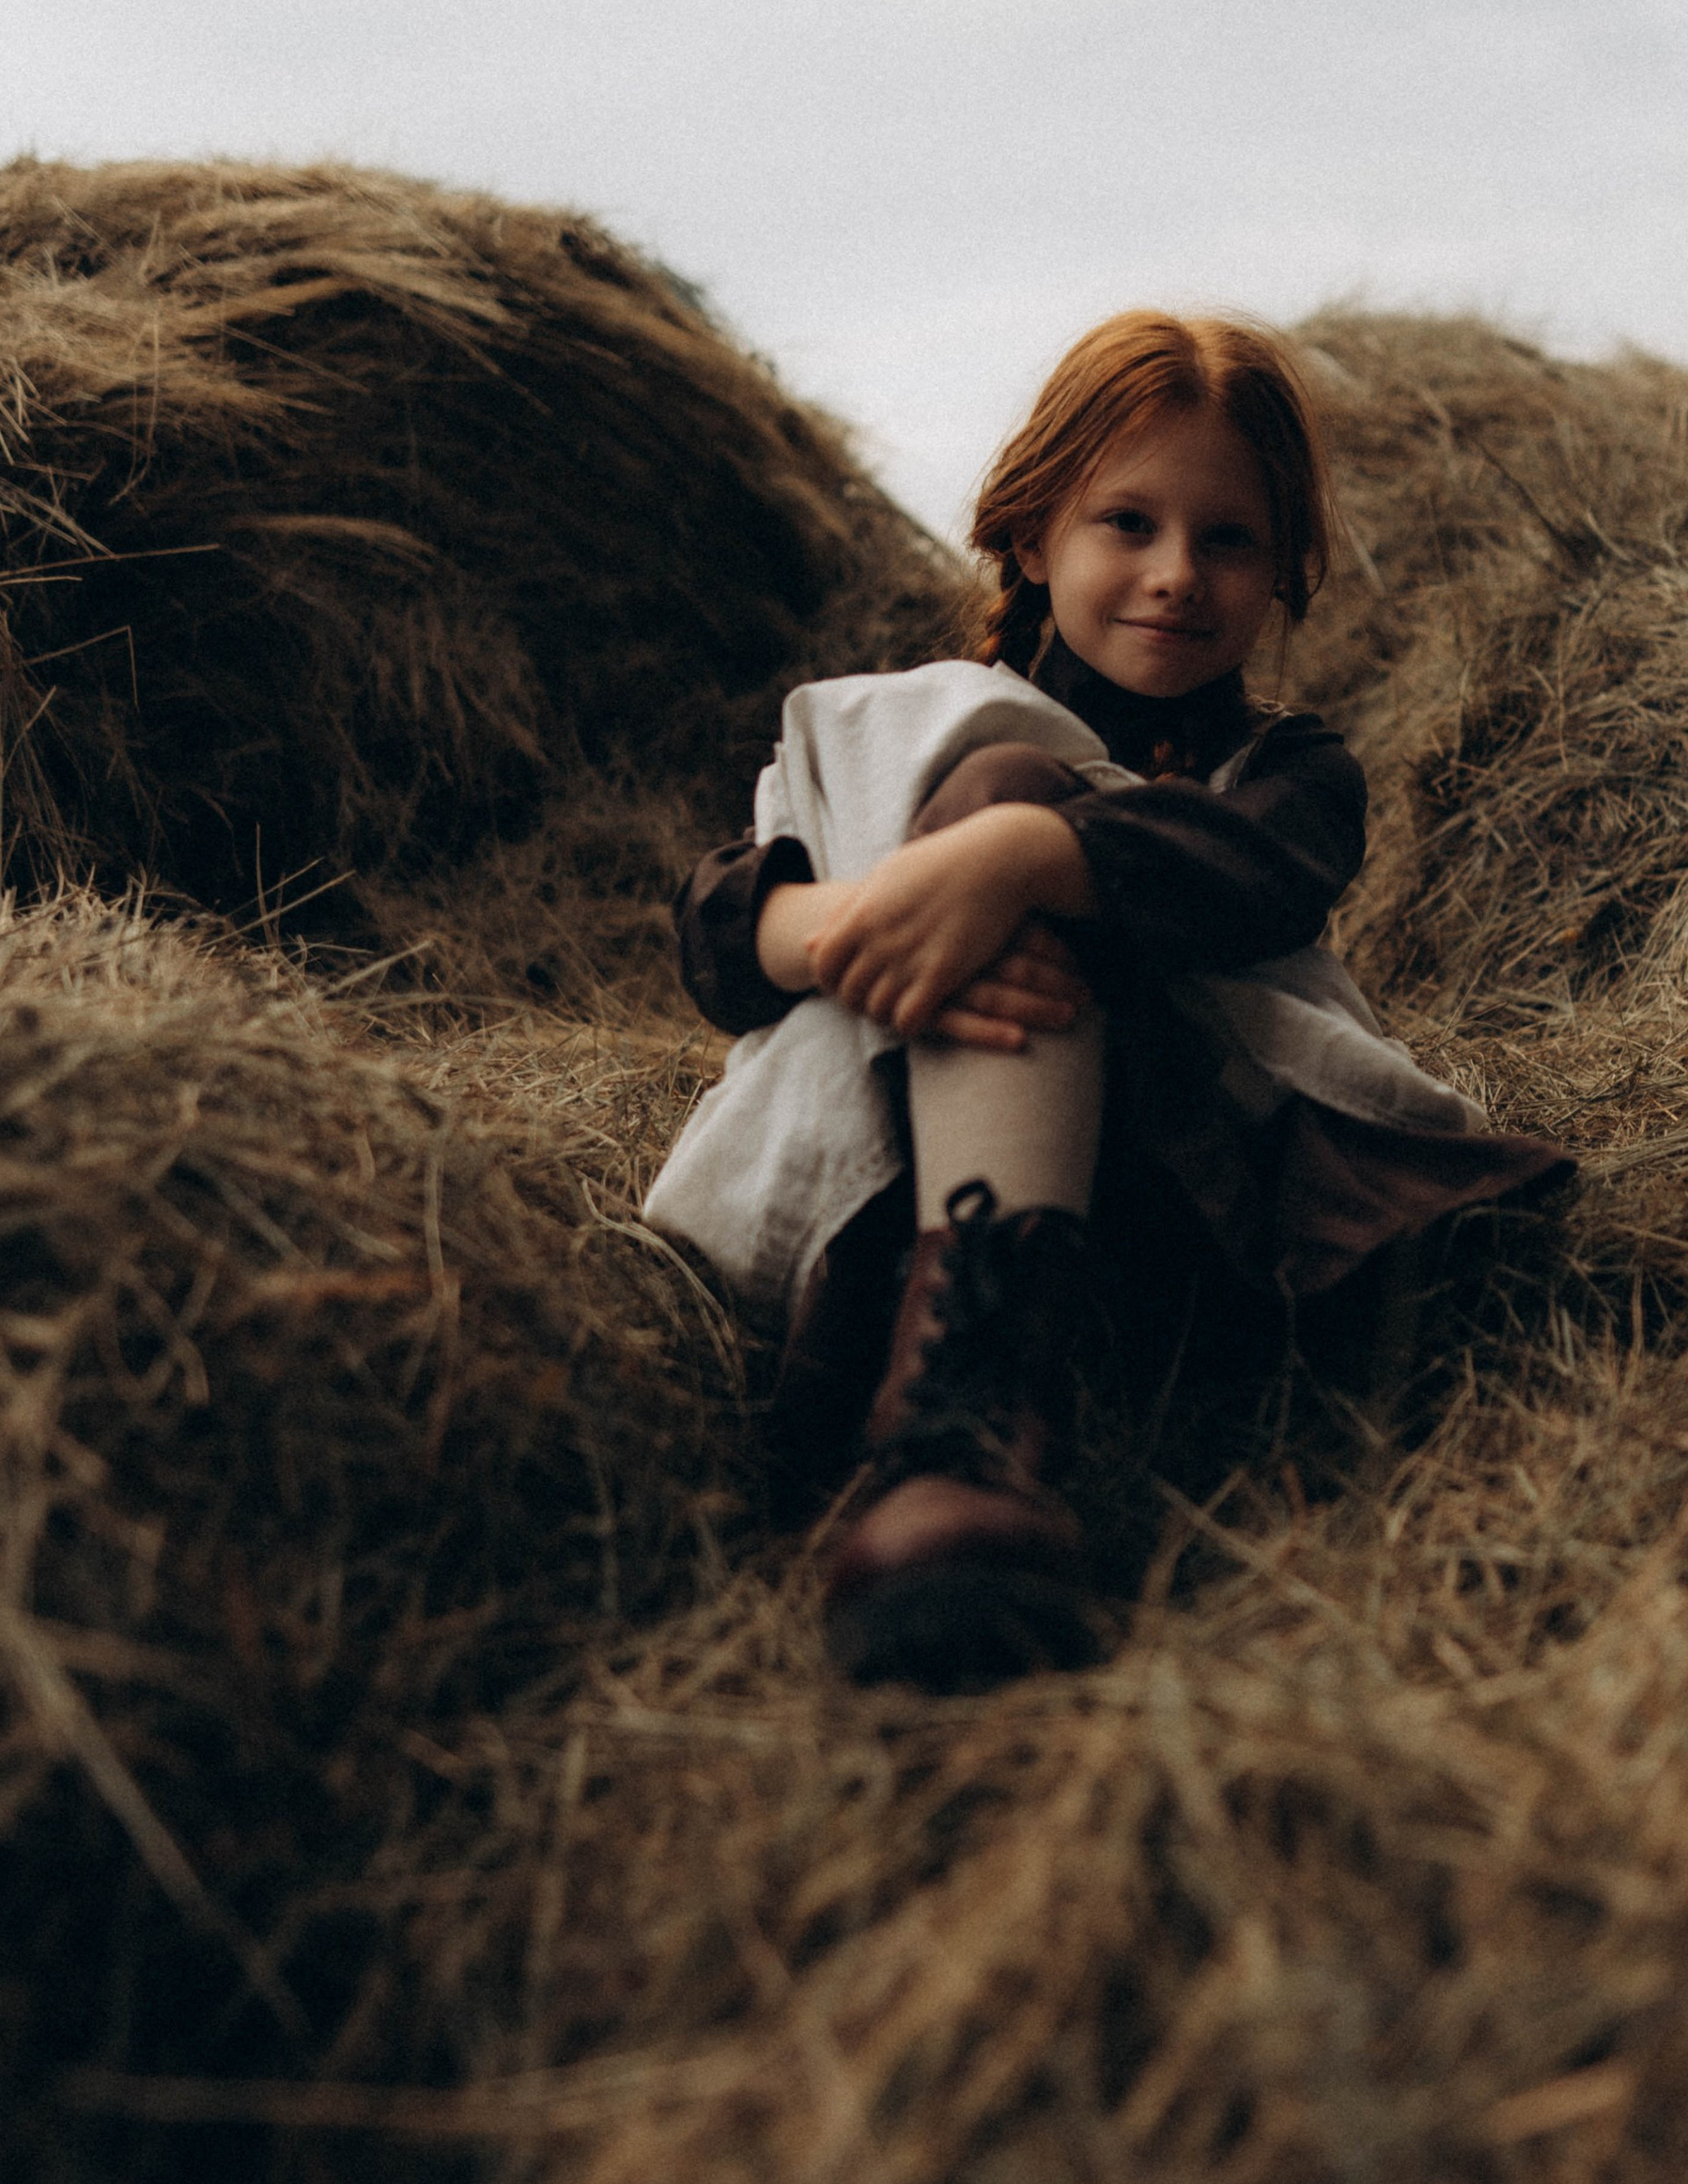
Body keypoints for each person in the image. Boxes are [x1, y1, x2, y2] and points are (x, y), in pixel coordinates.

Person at [645, 312, 1569, 1692]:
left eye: (1230, 540)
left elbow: (1257, 876)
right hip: (904, 1170)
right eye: (1127, 523)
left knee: (1004, 789)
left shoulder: (1290, 769)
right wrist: (860, 918)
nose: (1177, 576)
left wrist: (1020, 853)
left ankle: (959, 1433)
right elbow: (720, 929)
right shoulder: (910, 730)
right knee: (977, 767)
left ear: (1283, 575)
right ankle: (956, 1408)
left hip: (1187, 1176)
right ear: (1031, 535)